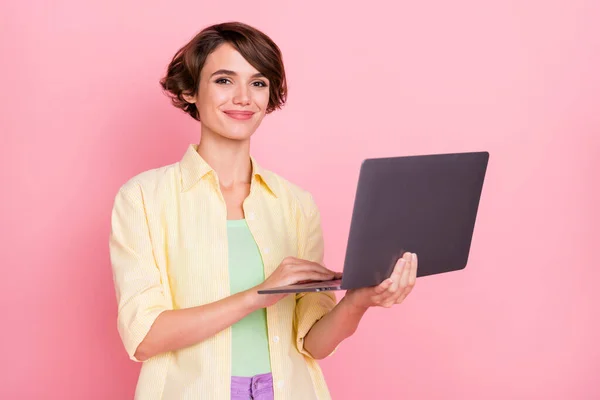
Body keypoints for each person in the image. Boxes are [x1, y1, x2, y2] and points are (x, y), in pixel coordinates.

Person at [109, 21, 418, 400]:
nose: (243, 98)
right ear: (189, 90)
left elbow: (313, 344)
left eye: (258, 83)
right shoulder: (143, 198)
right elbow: (144, 337)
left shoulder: (295, 204)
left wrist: (358, 300)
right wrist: (261, 293)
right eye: (224, 80)